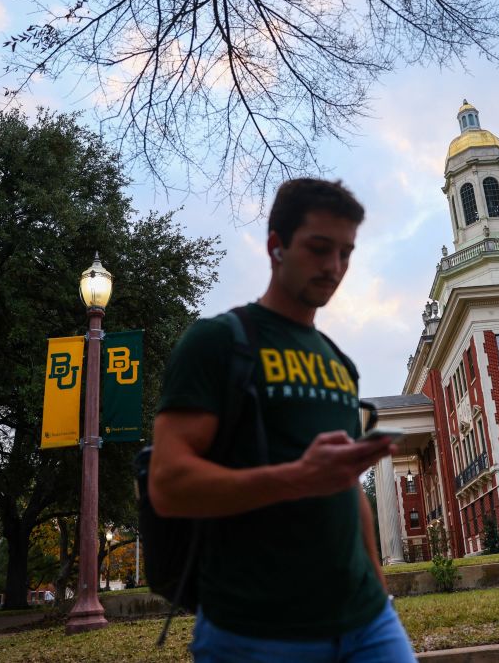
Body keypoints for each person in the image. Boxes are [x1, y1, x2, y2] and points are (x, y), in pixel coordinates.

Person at [149, 178, 416, 662]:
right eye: (318, 248)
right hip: (255, 630)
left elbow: (347, 486)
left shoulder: (339, 363)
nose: (334, 268)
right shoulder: (217, 342)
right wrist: (296, 478)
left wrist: (378, 587)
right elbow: (168, 483)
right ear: (275, 245)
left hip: (368, 622)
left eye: (346, 253)